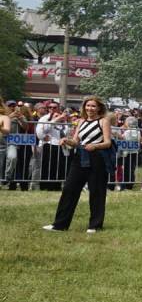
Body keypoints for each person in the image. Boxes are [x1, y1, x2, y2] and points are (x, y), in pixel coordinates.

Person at [43, 97, 113, 233]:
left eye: (93, 106)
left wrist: (95, 145)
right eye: (88, 106)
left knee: (96, 192)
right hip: (80, 157)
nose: (90, 109)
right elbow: (76, 141)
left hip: (97, 158)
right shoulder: (81, 121)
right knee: (69, 189)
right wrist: (67, 141)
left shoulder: (104, 121)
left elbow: (108, 142)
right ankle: (60, 225)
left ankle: (95, 225)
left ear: (98, 108)